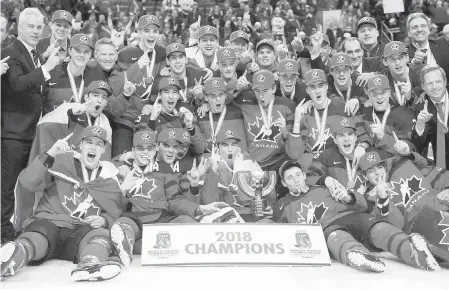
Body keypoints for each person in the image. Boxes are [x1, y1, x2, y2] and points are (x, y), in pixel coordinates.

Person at [1, 126, 124, 281]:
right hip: (49, 224)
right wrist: (50, 153)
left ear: (104, 149)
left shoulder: (109, 178)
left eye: (98, 144)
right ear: (81, 145)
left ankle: (90, 264)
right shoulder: (59, 162)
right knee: (38, 233)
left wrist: (104, 220)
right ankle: (11, 259)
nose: (93, 147)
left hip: (79, 233)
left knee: (101, 234)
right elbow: (28, 182)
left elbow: (115, 211)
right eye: (89, 142)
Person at [275, 160, 441, 272]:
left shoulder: (326, 187)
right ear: (283, 183)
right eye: (290, 178)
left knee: (377, 226)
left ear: (304, 175)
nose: (296, 180)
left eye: (298, 175)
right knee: (335, 235)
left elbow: (363, 206)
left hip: (351, 214)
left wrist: (349, 197)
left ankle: (414, 252)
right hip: (326, 227)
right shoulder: (282, 205)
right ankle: (358, 256)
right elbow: (278, 232)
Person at [1, 7, 61, 243]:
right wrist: (46, 68)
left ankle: (15, 225)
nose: (36, 31)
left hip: (31, 131)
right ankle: (2, 230)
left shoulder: (35, 54)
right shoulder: (11, 51)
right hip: (13, 132)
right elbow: (17, 83)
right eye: (31, 27)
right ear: (20, 28)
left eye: (39, 27)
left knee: (24, 185)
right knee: (6, 186)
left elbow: (37, 91)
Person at [358, 150, 449, 263]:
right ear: (365, 177)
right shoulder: (372, 201)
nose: (377, 173)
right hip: (426, 230)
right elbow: (398, 224)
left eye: (379, 167)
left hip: (442, 209)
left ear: (385, 167)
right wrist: (383, 197)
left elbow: (431, 170)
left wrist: (446, 188)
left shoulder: (402, 166)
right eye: (371, 171)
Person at [286, 69, 369, 159]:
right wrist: (297, 122)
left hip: (337, 165)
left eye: (320, 86)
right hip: (313, 167)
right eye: (312, 87)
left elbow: (363, 136)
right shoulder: (303, 113)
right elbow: (295, 154)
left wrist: (361, 146)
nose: (317, 91)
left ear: (326, 87)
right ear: (307, 90)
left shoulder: (343, 108)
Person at [199, 129, 275, 222]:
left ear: (238, 148)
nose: (230, 149)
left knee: (267, 223)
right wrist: (214, 169)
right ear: (216, 149)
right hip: (224, 216)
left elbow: (263, 190)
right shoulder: (207, 163)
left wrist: (268, 207)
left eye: (234, 145)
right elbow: (208, 201)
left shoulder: (247, 160)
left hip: (249, 213)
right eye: (225, 145)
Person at [137, 77, 206, 156]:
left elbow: (200, 149)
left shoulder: (185, 114)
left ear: (178, 96)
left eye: (174, 92)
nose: (171, 96)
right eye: (166, 92)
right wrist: (152, 120)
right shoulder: (148, 115)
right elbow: (142, 149)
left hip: (182, 162)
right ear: (159, 95)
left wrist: (190, 127)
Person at [43, 33, 106, 115]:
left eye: (86, 52)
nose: (81, 55)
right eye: (78, 50)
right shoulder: (52, 72)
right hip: (53, 125)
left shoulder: (96, 75)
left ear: (91, 55)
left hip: (84, 126)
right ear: (69, 51)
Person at [358, 74, 417, 156]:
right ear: (368, 94)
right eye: (374, 93)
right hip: (370, 165)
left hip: (395, 164)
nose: (379, 97)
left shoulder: (404, 114)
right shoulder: (363, 113)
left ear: (389, 93)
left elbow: (409, 149)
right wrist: (362, 145)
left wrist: (383, 137)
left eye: (383, 92)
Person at [118, 14, 166, 99]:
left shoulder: (162, 52)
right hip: (131, 107)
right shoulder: (126, 53)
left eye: (155, 31)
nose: (151, 35)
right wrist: (138, 66)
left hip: (154, 105)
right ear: (139, 33)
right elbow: (118, 85)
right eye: (147, 31)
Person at [413, 64, 449, 170]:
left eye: (438, 82)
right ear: (423, 87)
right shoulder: (419, 107)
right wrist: (420, 125)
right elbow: (418, 144)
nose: (434, 87)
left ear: (445, 82)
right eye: (429, 83)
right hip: (439, 163)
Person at [198, 77, 248, 153]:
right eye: (213, 96)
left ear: (225, 95)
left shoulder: (238, 110)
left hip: (238, 160)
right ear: (206, 97)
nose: (217, 99)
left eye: (220, 95)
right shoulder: (201, 114)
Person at [406, 13, 449, 78]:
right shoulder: (405, 53)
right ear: (409, 33)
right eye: (415, 27)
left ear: (428, 30)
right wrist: (414, 62)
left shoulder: (443, 44)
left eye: (423, 26)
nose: (419, 30)